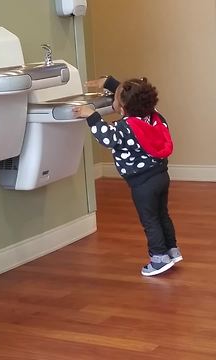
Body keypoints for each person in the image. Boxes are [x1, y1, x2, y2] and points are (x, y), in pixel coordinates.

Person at [72, 76, 181, 276]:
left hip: (142, 184)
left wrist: (92, 115)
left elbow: (107, 136)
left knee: (150, 220)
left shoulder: (125, 128)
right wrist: (110, 83)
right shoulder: (155, 116)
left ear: (122, 108)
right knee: (162, 214)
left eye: (116, 99)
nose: (113, 101)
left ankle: (159, 258)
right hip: (161, 176)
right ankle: (172, 250)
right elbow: (134, 95)